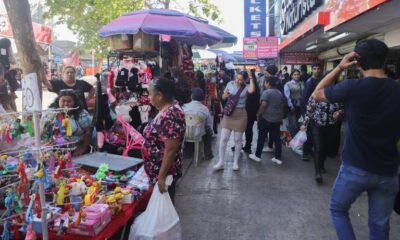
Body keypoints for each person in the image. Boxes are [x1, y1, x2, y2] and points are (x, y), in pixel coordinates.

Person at [312, 39, 400, 239]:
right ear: (385, 60)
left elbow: (317, 94)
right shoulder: (397, 89)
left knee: (338, 209)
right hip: (388, 171)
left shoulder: (352, 87)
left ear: (357, 60)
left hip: (356, 167)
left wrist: (340, 68)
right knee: (380, 225)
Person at [142, 77, 185, 202]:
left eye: (150, 94)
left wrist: (161, 177)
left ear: (159, 95)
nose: (149, 98)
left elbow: (171, 149)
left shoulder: (171, 114)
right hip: (159, 172)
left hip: (165, 175)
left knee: (164, 211)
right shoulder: (166, 109)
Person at [301, 80, 344, 183]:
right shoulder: (316, 94)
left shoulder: (339, 96)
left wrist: (339, 112)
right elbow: (309, 110)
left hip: (332, 126)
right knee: (318, 147)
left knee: (326, 148)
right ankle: (317, 172)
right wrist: (305, 124)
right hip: (317, 125)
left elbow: (344, 108)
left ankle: (321, 165)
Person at [214, 71, 256, 171]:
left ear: (244, 80)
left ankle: (235, 162)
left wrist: (251, 78)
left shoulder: (246, 87)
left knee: (238, 140)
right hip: (229, 113)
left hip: (241, 114)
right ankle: (221, 162)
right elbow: (223, 97)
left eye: (240, 79)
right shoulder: (230, 84)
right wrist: (226, 95)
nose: (238, 80)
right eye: (237, 78)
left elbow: (252, 90)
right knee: (224, 138)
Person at [249, 76, 284, 164]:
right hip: (277, 119)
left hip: (266, 118)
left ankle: (257, 156)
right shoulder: (279, 92)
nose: (264, 84)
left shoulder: (266, 92)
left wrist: (258, 113)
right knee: (277, 138)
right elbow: (282, 106)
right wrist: (280, 117)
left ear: (267, 83)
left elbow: (264, 104)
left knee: (261, 137)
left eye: (265, 82)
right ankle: (278, 158)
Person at [49, 89, 93, 156]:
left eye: (69, 101)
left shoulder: (81, 114)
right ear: (58, 100)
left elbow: (88, 132)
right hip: (58, 148)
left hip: (78, 146)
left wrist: (83, 148)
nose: (66, 104)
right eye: (63, 101)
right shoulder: (52, 113)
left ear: (74, 102)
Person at [183, 88, 213, 160]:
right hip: (198, 134)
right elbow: (208, 124)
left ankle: (187, 153)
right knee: (208, 132)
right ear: (202, 98)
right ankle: (208, 154)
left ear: (191, 96)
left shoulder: (184, 107)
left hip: (185, 134)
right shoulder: (205, 109)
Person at [302, 61, 323, 161]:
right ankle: (305, 153)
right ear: (312, 70)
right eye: (314, 68)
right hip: (310, 111)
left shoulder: (322, 80)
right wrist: (308, 114)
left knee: (317, 134)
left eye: (318, 68)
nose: (316, 70)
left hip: (320, 111)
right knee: (309, 133)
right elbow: (306, 99)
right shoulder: (309, 82)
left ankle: (311, 151)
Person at [243, 69, 260, 154]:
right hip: (252, 111)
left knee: (246, 129)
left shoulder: (248, 87)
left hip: (247, 111)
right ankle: (247, 145)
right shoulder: (257, 87)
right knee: (249, 129)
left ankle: (246, 145)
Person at [284, 69, 304, 138]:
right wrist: (290, 105)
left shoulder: (302, 83)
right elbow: (287, 96)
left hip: (300, 105)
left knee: (298, 121)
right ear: (291, 76)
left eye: (298, 74)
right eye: (295, 74)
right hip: (292, 105)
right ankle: (292, 138)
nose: (297, 76)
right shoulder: (288, 84)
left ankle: (297, 138)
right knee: (292, 122)